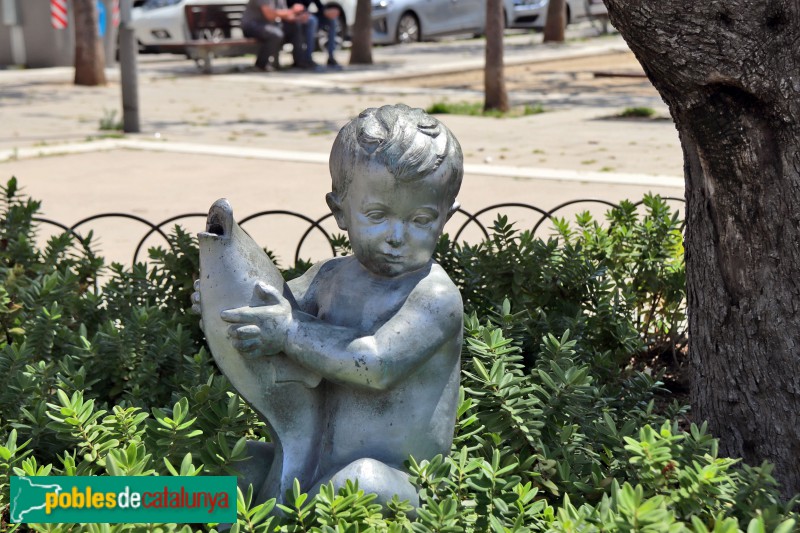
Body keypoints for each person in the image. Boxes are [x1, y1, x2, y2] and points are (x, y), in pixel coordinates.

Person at [219, 104, 465, 506]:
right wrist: (222, 294)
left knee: (359, 481)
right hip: (314, 464)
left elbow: (376, 365)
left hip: (397, 483)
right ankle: (106, 506)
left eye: (420, 219)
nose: (396, 236)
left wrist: (289, 331)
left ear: (445, 218)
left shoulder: (433, 296)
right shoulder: (330, 277)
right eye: (377, 215)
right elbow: (269, 301)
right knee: (239, 462)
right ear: (340, 212)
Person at [240, 0, 314, 71]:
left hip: (270, 26)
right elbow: (270, 15)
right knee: (276, 35)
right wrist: (292, 11)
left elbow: (285, 15)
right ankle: (260, 65)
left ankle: (300, 62)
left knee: (294, 27)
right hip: (252, 26)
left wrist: (298, 18)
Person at [287, 0, 342, 69]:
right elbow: (290, 6)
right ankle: (308, 59)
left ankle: (331, 58)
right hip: (292, 15)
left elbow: (319, 6)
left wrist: (326, 12)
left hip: (306, 14)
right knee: (313, 21)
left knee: (332, 20)